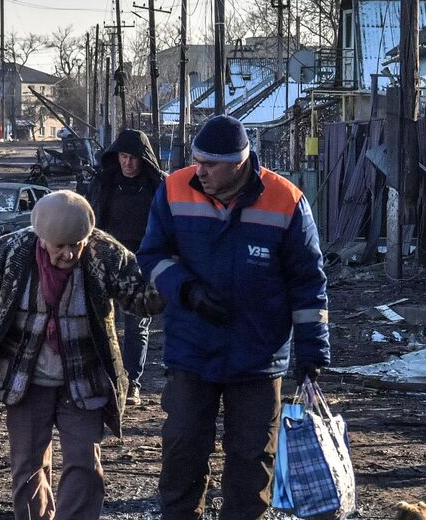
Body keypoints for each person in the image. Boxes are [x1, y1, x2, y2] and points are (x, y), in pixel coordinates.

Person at [138, 115, 330, 520]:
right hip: (192, 350)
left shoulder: (286, 200)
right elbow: (152, 255)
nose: (199, 171)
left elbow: (307, 281)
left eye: (210, 164)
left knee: (252, 462)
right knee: (182, 450)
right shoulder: (173, 190)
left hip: (258, 359)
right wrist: (186, 289)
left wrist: (312, 350)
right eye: (196, 160)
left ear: (238, 164)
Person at [0, 190, 162, 520]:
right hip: (24, 379)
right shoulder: (10, 251)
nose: (69, 253)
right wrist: (7, 316)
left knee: (84, 462)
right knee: (27, 464)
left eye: (77, 244)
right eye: (61, 246)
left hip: (84, 378)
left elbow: (142, 298)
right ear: (42, 238)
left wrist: (177, 277)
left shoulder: (105, 254)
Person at [85, 129, 166, 407]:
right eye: (123, 156)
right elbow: (89, 219)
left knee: (136, 326)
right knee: (101, 321)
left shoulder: (158, 187)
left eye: (133, 157)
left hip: (143, 261)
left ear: (143, 159)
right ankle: (104, 380)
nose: (128, 163)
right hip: (106, 259)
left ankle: (132, 383)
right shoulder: (104, 183)